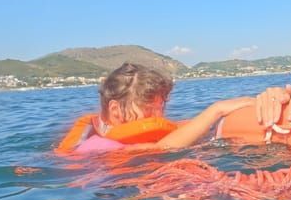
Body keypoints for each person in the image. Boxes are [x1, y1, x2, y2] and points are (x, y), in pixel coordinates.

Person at [57, 62, 254, 154]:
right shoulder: (94, 146)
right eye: (149, 110)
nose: (158, 117)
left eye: (161, 108)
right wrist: (216, 109)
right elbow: (162, 148)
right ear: (116, 109)